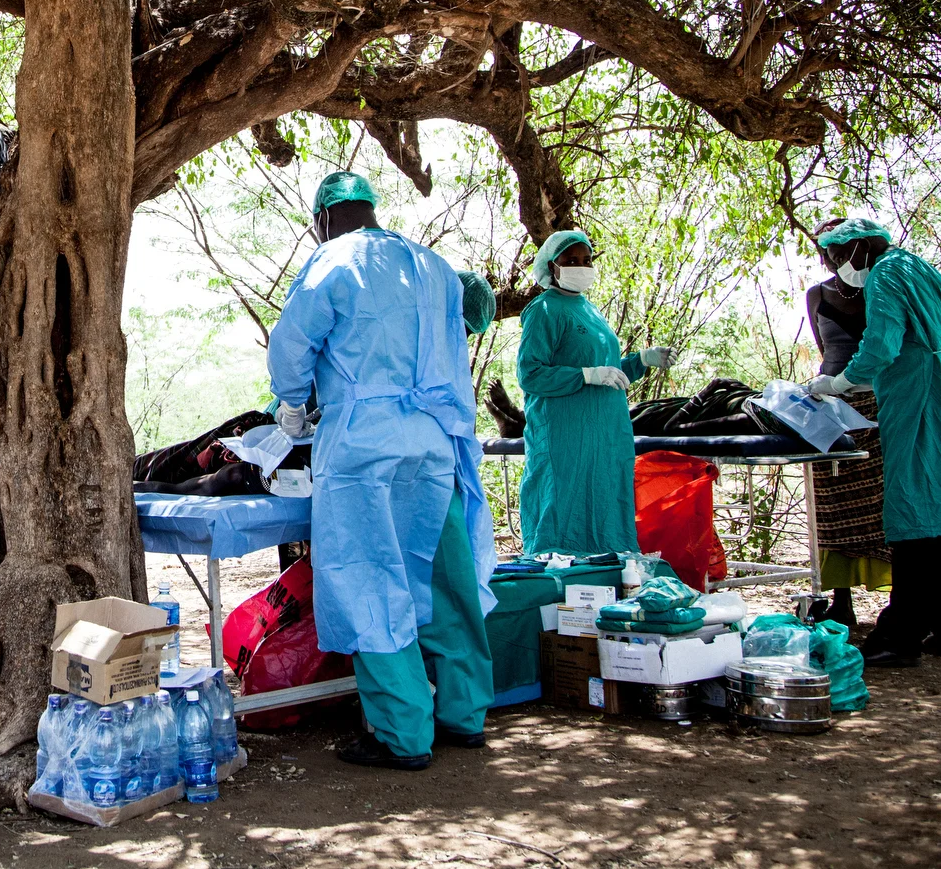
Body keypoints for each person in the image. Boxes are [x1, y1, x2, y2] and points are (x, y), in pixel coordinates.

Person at [268, 172, 495, 770]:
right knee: (446, 579)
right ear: (370, 208)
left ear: (321, 219)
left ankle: (403, 733)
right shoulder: (432, 265)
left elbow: (293, 345)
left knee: (371, 579)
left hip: (364, 448)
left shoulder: (330, 262)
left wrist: (292, 406)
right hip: (434, 442)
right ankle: (464, 714)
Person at [805, 218, 941, 665]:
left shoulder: (885, 274)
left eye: (840, 255)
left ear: (860, 249)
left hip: (922, 395)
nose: (837, 265)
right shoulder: (919, 266)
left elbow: (881, 345)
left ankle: (899, 637)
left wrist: (839, 383)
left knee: (915, 511)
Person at [515, 231, 672, 557]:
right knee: (562, 511)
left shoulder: (589, 310)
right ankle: (554, 586)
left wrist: (640, 361)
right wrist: (585, 375)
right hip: (565, 436)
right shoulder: (544, 310)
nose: (581, 266)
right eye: (571, 260)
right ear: (551, 266)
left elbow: (608, 372)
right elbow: (530, 374)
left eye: (586, 260)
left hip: (605, 436)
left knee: (606, 510)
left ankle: (609, 586)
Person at [803, 218, 893, 629]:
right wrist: (834, 386)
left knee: (884, 502)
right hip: (833, 406)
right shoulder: (817, 295)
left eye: (846, 247)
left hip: (881, 405)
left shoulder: (883, 285)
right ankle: (841, 600)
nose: (839, 256)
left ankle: (899, 597)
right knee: (832, 500)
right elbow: (827, 349)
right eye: (831, 250)